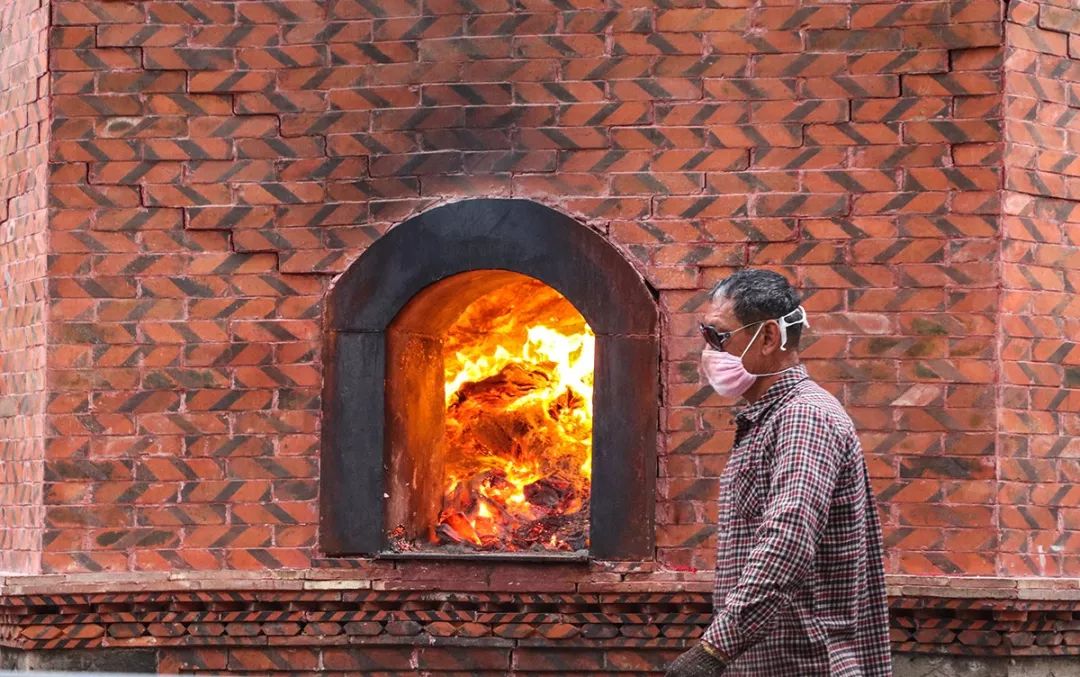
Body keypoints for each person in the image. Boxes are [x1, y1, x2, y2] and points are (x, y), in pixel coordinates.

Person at [666, 269, 891, 677]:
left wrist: (713, 650)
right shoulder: (770, 418)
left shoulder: (804, 417)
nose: (709, 351)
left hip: (805, 666)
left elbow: (787, 538)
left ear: (769, 338)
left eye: (718, 336)